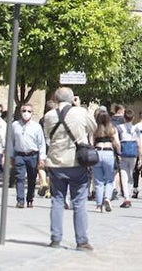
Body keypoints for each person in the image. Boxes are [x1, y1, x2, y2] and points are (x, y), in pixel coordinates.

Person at [42, 86, 96, 251]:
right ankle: (81, 241)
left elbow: (46, 135)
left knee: (57, 200)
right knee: (79, 201)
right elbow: (93, 127)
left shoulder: (49, 116)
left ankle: (55, 238)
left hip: (56, 162)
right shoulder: (80, 112)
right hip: (76, 162)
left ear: (56, 99)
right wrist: (79, 107)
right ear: (72, 99)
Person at [10, 102, 46, 209]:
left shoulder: (37, 127)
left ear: (32, 113)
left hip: (33, 155)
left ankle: (30, 199)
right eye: (24, 111)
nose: (26, 113)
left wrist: (42, 158)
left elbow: (41, 143)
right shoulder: (15, 125)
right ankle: (20, 200)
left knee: (31, 178)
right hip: (19, 155)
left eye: (29, 111)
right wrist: (10, 156)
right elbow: (11, 141)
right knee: (19, 177)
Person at [91, 108, 119, 212]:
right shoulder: (112, 129)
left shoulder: (95, 130)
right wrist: (119, 152)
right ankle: (107, 197)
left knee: (98, 181)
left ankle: (98, 205)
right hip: (108, 152)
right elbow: (117, 143)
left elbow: (91, 143)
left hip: (97, 153)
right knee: (109, 179)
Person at [112, 108, 139, 208]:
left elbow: (117, 141)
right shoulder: (136, 128)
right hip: (133, 153)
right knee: (130, 174)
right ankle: (129, 195)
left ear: (124, 117)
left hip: (123, 153)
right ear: (133, 118)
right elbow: (138, 143)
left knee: (123, 175)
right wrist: (139, 156)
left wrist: (118, 152)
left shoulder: (118, 128)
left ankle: (126, 198)